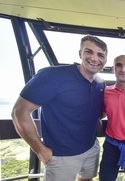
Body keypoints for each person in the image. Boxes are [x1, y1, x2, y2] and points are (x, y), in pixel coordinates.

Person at [11, 35, 108, 181]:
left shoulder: (100, 84)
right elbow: (19, 112)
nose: (94, 58)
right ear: (80, 53)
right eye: (89, 52)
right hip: (60, 156)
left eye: (100, 55)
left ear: (105, 61)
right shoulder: (52, 76)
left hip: (91, 149)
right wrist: (40, 150)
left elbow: (96, 112)